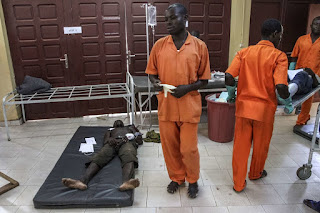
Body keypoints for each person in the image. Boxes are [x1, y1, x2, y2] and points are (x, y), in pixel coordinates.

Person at [145, 3, 210, 198]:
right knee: (170, 147)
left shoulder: (199, 46)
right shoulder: (159, 45)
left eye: (173, 18)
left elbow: (204, 80)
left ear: (185, 18)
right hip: (167, 105)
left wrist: (187, 88)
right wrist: (155, 82)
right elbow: (151, 73)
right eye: (166, 19)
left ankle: (192, 179)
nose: (169, 23)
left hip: (189, 106)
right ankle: (177, 178)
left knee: (188, 149)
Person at [225, 19, 290, 192]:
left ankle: (238, 184)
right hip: (264, 112)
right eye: (280, 36)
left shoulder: (244, 53)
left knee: (240, 148)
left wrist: (233, 92)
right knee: (261, 146)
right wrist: (288, 98)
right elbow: (281, 87)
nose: (280, 39)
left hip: (244, 109)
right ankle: (255, 173)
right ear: (275, 34)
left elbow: (228, 77)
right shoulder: (279, 56)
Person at [62, 120, 142, 191]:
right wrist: (110, 140)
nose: (118, 121)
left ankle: (126, 182)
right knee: (99, 157)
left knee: (129, 154)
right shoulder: (110, 130)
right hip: (112, 144)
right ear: (113, 125)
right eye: (116, 121)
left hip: (127, 142)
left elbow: (140, 140)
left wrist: (133, 136)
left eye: (119, 121)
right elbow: (105, 141)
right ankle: (82, 182)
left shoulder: (130, 128)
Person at [289, 16, 320, 125]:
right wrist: (290, 70)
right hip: (298, 73)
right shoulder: (301, 39)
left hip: (314, 75)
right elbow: (294, 56)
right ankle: (297, 111)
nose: (317, 26)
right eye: (315, 24)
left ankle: (301, 120)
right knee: (295, 93)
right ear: (311, 25)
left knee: (307, 98)